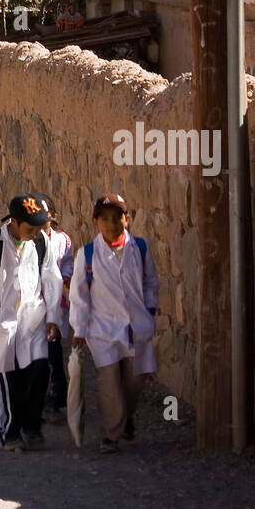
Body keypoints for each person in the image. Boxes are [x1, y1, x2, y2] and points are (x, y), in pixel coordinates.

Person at [0, 194, 62, 452]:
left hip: (34, 321)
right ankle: (10, 432)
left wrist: (53, 316)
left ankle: (31, 427)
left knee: (39, 372)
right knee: (10, 379)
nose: (35, 233)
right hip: (5, 324)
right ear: (15, 222)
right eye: (30, 228)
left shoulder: (40, 242)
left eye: (39, 228)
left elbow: (52, 279)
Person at [69, 191, 160, 454]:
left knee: (135, 382)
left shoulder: (139, 249)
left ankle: (125, 418)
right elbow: (79, 296)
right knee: (110, 384)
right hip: (103, 331)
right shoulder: (87, 255)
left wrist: (150, 309)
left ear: (127, 219)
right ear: (96, 222)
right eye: (105, 219)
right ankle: (111, 435)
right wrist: (80, 329)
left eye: (117, 218)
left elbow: (150, 281)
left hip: (137, 327)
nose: (111, 224)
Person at [37, 195, 73, 423]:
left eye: (45, 219)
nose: (41, 225)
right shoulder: (28, 242)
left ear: (54, 218)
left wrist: (66, 277)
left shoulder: (62, 241)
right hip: (33, 307)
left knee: (53, 352)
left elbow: (67, 262)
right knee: (35, 355)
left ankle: (57, 399)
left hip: (56, 305)